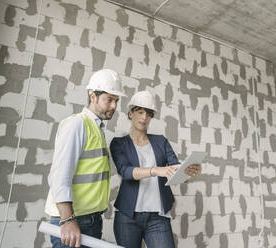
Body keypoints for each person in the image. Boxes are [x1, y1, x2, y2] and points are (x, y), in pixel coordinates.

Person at [44, 69, 126, 248]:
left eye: (116, 101)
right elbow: (59, 176)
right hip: (74, 220)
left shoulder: (95, 128)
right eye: (109, 100)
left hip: (90, 220)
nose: (113, 106)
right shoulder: (77, 124)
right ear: (93, 96)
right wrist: (68, 220)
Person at [110, 90, 202, 248]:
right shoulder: (119, 143)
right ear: (130, 113)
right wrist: (155, 170)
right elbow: (125, 171)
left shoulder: (161, 141)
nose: (144, 118)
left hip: (157, 217)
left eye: (149, 114)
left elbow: (174, 168)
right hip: (127, 218)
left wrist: (190, 172)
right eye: (140, 112)